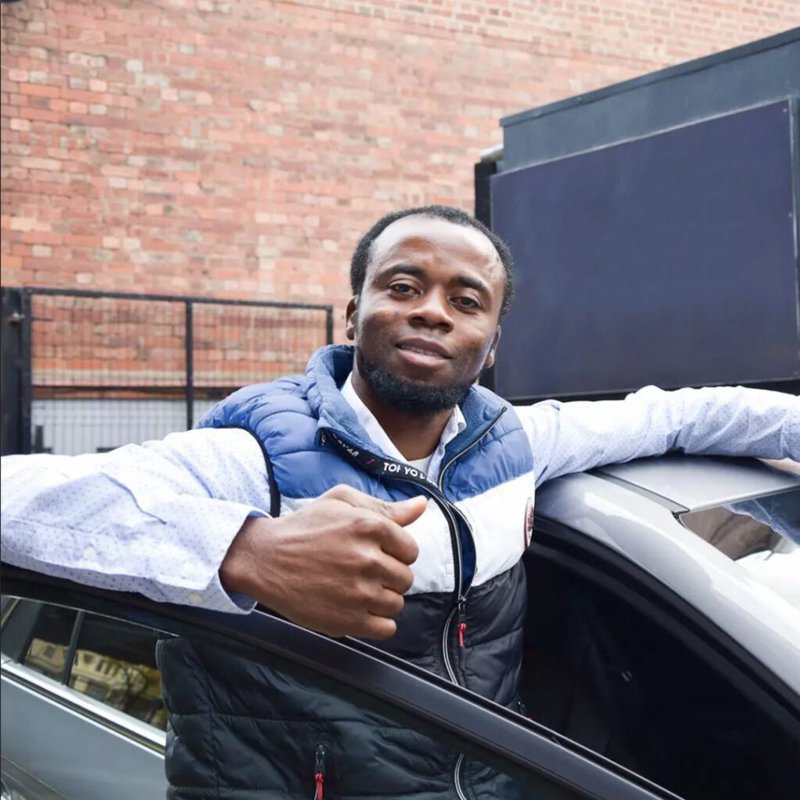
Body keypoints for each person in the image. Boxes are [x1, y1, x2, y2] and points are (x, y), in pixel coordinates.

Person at [2, 205, 798, 799]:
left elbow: (683, 415)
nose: (431, 311)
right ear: (354, 315)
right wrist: (244, 550)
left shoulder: (518, 445)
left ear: (492, 345)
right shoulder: (250, 458)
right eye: (403, 286)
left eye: (466, 301)